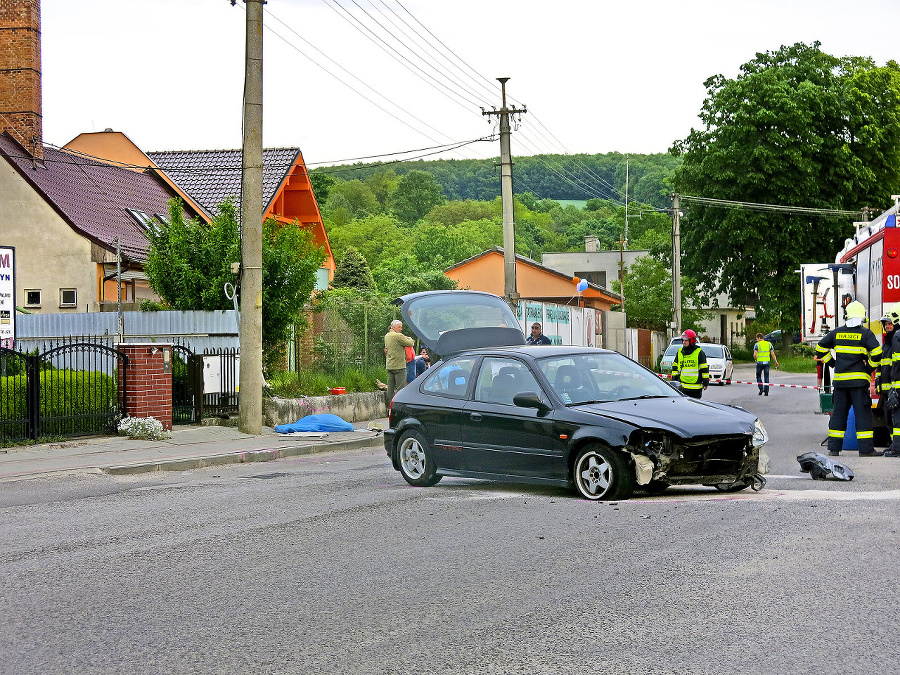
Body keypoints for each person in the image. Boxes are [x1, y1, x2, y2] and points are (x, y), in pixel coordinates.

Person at [816, 301, 883, 457]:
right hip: (859, 383)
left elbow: (820, 348)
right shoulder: (865, 334)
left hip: (840, 383)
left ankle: (834, 448)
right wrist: (868, 368)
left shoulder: (836, 333)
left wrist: (832, 363)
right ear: (861, 317)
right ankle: (866, 450)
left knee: (838, 414)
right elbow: (877, 353)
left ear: (847, 316)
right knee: (863, 415)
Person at [671, 329, 709, 399]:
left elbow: (704, 369)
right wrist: (674, 381)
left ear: (691, 341)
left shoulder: (699, 353)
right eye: (683, 340)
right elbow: (675, 368)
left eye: (686, 340)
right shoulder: (680, 352)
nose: (684, 342)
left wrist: (706, 382)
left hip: (695, 388)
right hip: (682, 387)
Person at [384, 319, 415, 403]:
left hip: (390, 365)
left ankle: (388, 407)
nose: (401, 329)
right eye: (399, 327)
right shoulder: (398, 336)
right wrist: (410, 339)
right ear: (393, 327)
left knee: (390, 388)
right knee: (400, 388)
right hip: (399, 366)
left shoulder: (387, 336)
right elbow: (410, 343)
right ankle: (398, 406)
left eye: (401, 327)